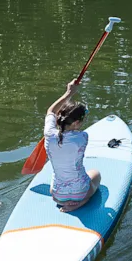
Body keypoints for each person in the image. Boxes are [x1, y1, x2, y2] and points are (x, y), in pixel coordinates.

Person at [44, 80, 101, 213]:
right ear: (76, 123)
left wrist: (68, 93)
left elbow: (51, 111)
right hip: (80, 193)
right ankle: (81, 202)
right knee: (96, 174)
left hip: (57, 195)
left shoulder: (48, 134)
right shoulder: (82, 138)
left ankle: (66, 201)